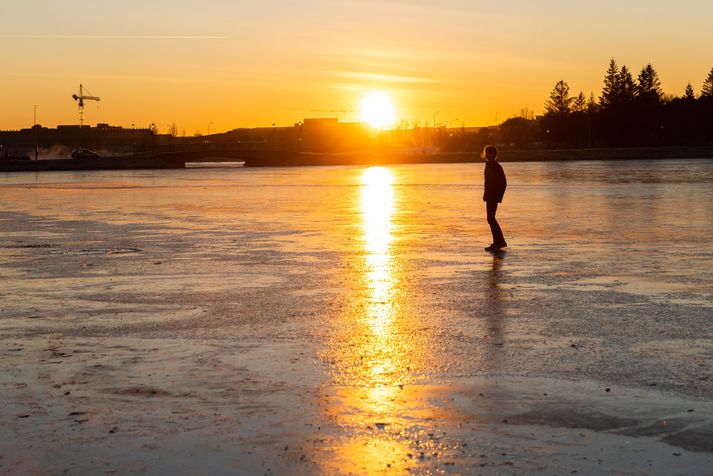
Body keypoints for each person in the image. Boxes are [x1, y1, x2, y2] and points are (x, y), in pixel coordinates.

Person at [482, 145, 507, 251]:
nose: (488, 155)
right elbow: (487, 182)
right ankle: (498, 241)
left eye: (490, 153)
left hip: (493, 196)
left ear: (494, 155)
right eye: (486, 153)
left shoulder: (496, 166)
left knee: (491, 218)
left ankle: (499, 241)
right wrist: (485, 194)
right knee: (490, 218)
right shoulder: (489, 165)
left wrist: (498, 197)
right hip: (489, 196)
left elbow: (503, 183)